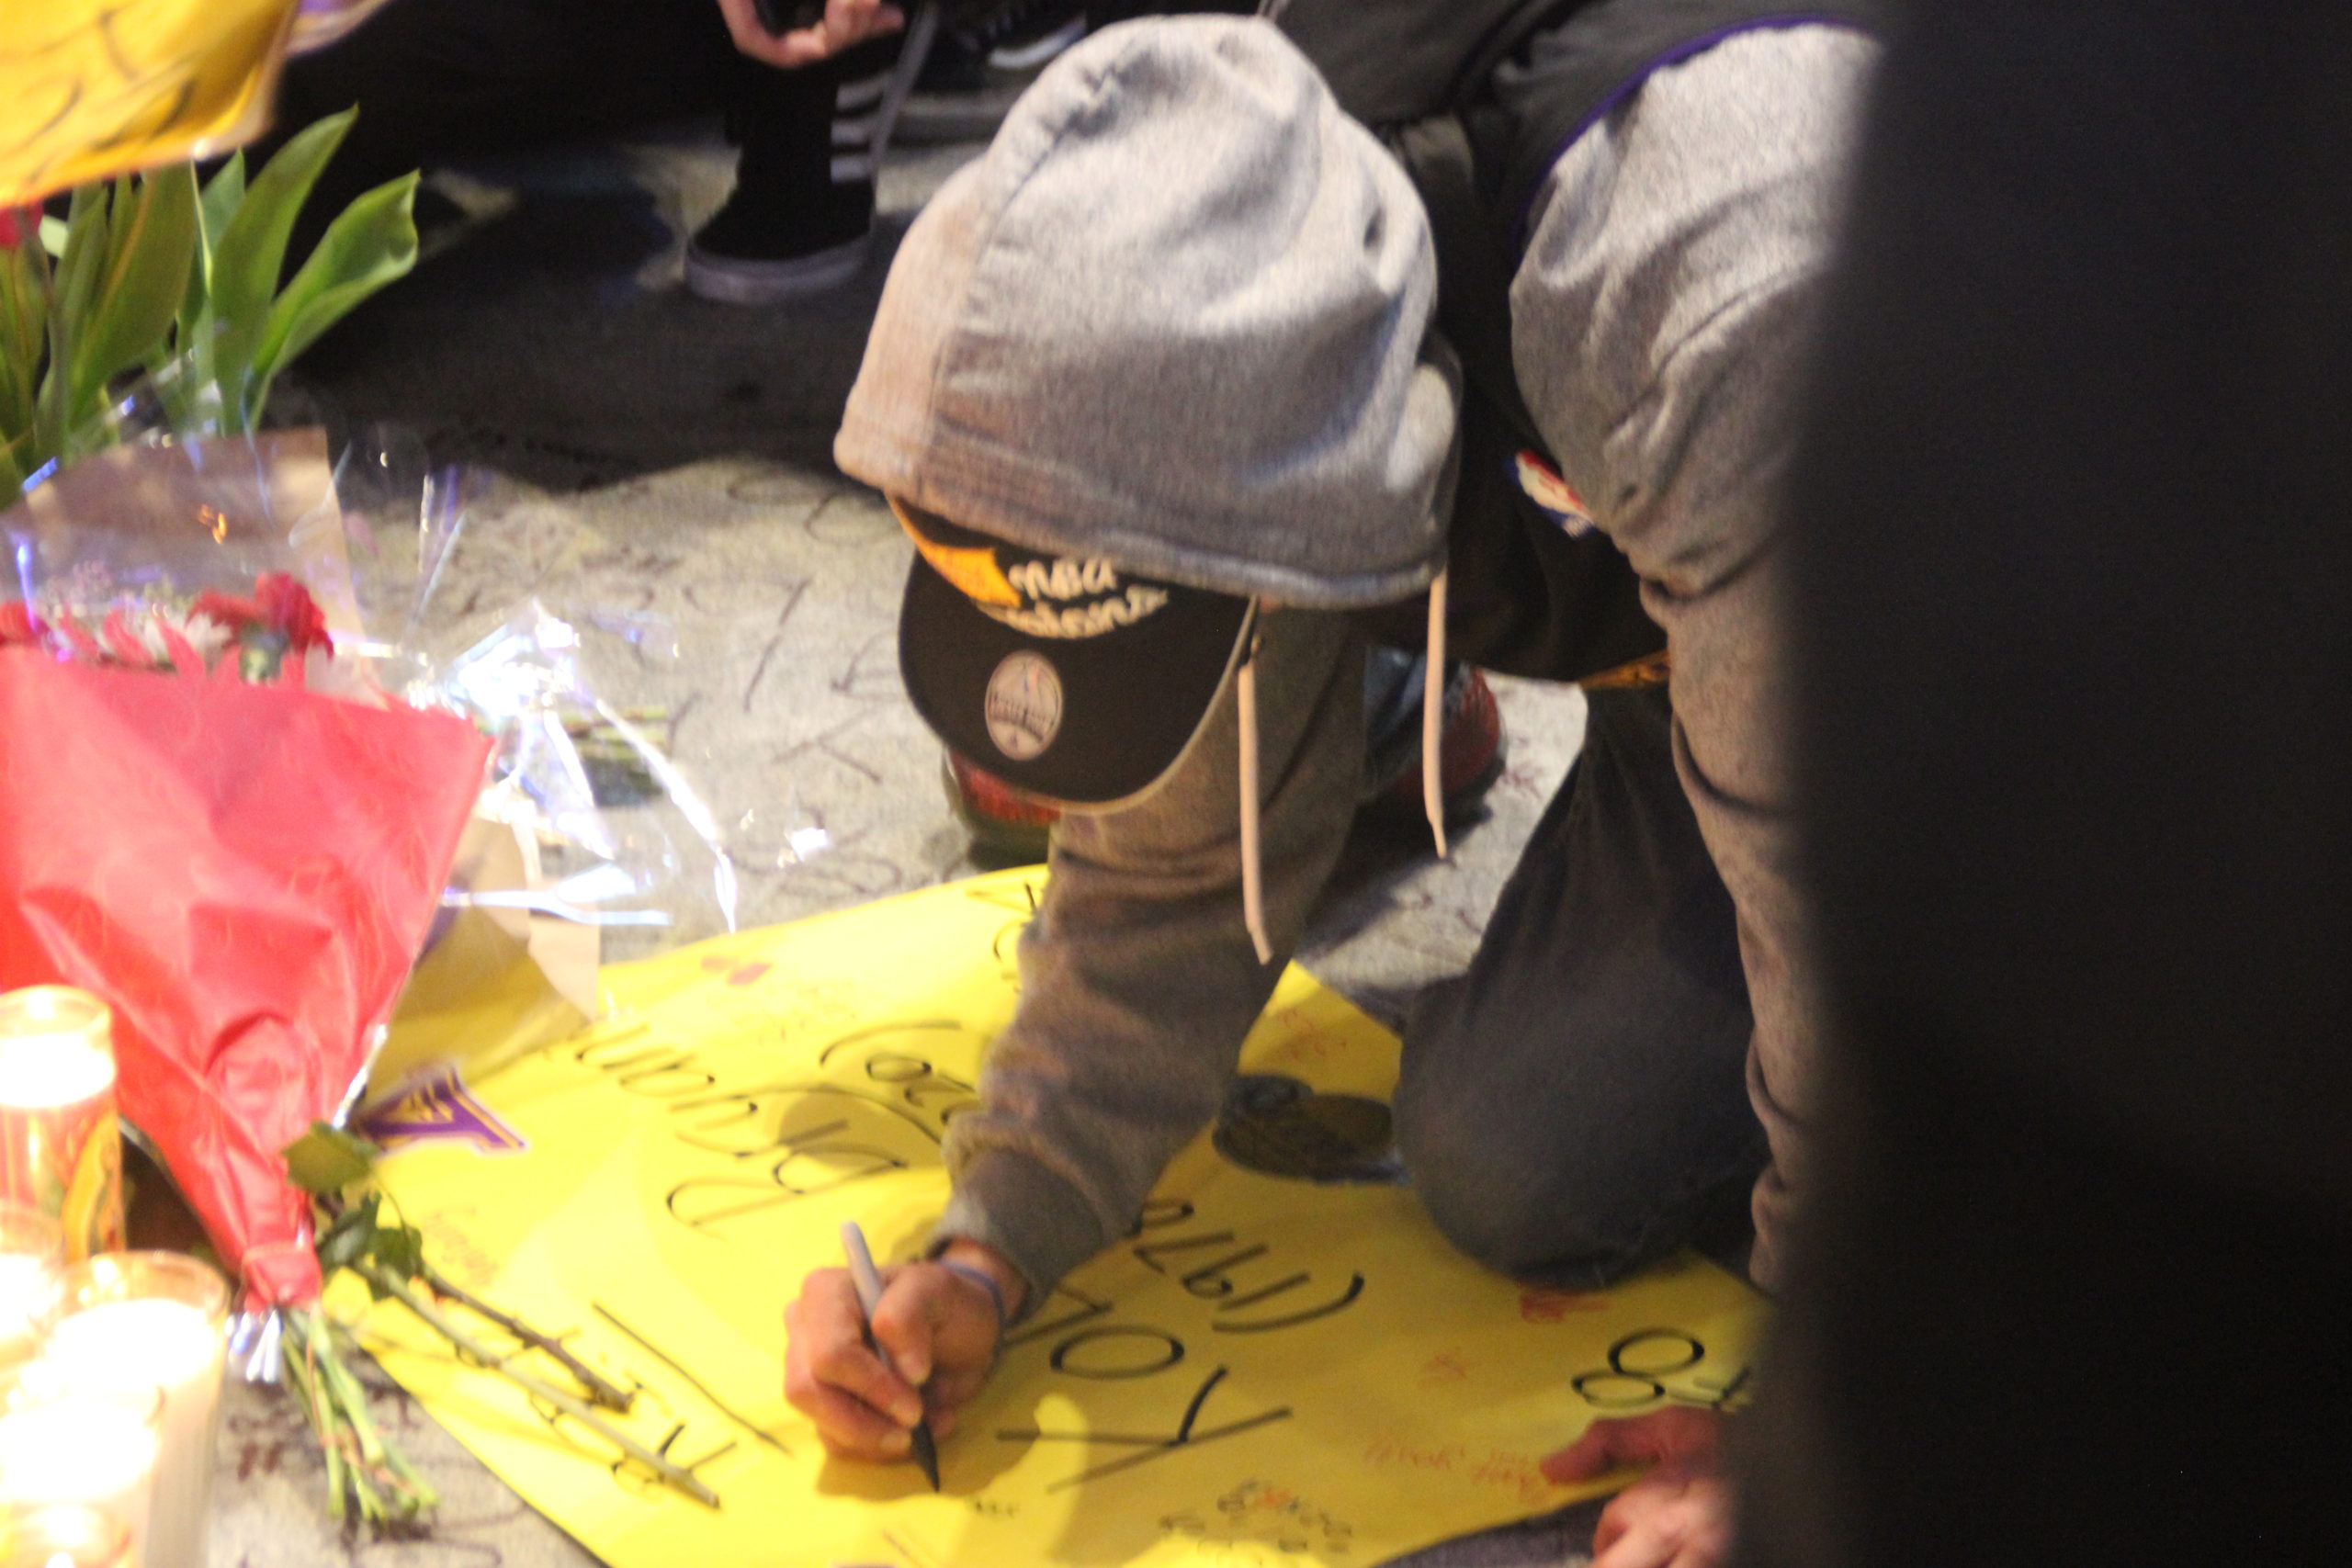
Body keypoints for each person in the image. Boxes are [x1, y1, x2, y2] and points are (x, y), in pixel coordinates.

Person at [786, 14, 1874, 1563]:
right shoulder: (1214, 266)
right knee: (1520, 1152)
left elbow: (1868, 903)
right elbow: (1175, 862)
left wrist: (1838, 1423)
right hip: (1724, 608)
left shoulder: (1720, 305)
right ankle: (1408, 693)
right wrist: (991, 1238)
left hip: (2073, 637)